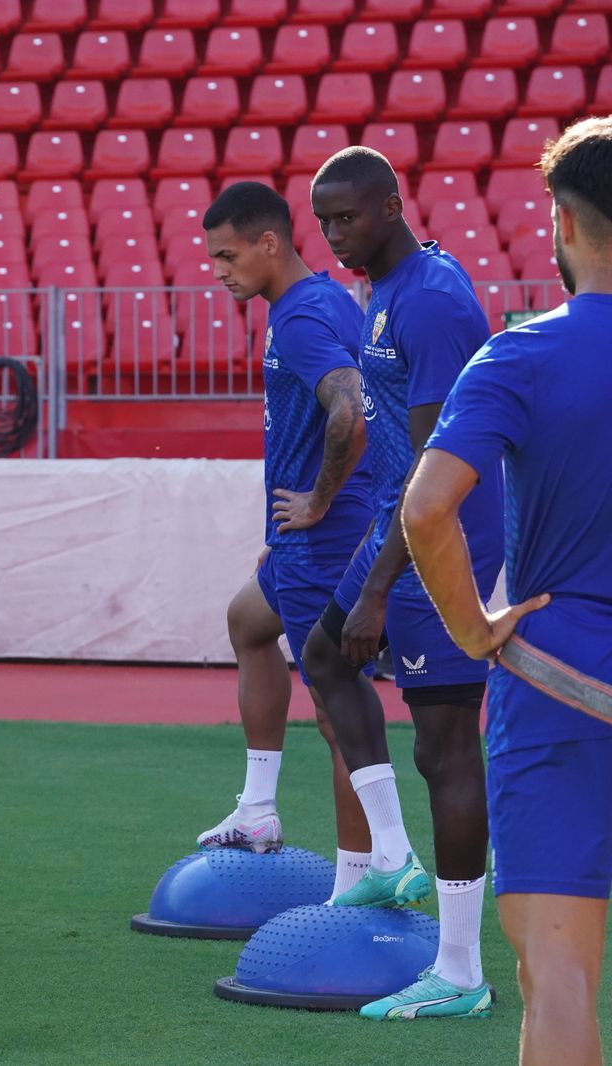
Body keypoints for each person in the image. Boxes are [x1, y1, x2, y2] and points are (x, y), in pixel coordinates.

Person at [403, 116, 612, 1064]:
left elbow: (427, 510)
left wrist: (476, 629)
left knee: (557, 979)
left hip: (557, 677)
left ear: (563, 224)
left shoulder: (523, 354)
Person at [302, 147, 504, 1020]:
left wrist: (381, 590)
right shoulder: (394, 283)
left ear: (391, 205)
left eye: (349, 217)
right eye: (326, 223)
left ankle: (461, 970)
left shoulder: (426, 302)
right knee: (325, 657)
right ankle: (391, 855)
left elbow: (434, 467)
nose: (337, 236)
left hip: (441, 539)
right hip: (399, 521)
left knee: (446, 749)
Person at [194, 181, 379, 903]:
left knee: (340, 714)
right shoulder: (327, 298)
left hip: (324, 541)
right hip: (309, 540)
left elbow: (350, 411)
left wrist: (317, 503)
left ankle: (359, 882)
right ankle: (259, 810)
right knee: (247, 621)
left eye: (227, 254)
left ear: (269, 243)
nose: (217, 269)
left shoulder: (299, 318)